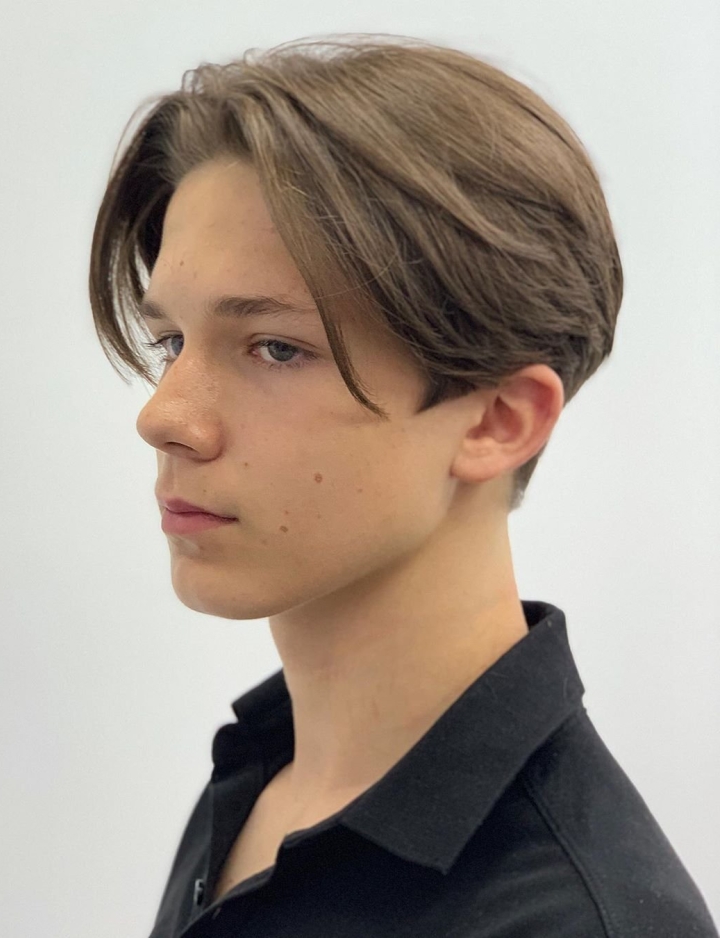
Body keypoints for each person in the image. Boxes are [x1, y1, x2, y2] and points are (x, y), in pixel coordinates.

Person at [88, 34, 718, 938]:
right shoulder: (267, 781)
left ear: (499, 420)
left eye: (275, 348)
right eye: (172, 343)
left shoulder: (569, 920)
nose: (164, 416)